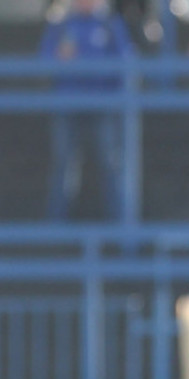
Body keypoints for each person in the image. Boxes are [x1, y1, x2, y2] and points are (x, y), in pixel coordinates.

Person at [40, 0, 134, 221]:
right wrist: (58, 58)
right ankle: (55, 234)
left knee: (111, 165)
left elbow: (127, 63)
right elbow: (43, 60)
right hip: (67, 106)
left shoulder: (111, 24)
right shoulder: (60, 25)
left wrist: (98, 77)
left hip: (102, 108)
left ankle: (122, 235)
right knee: (63, 166)